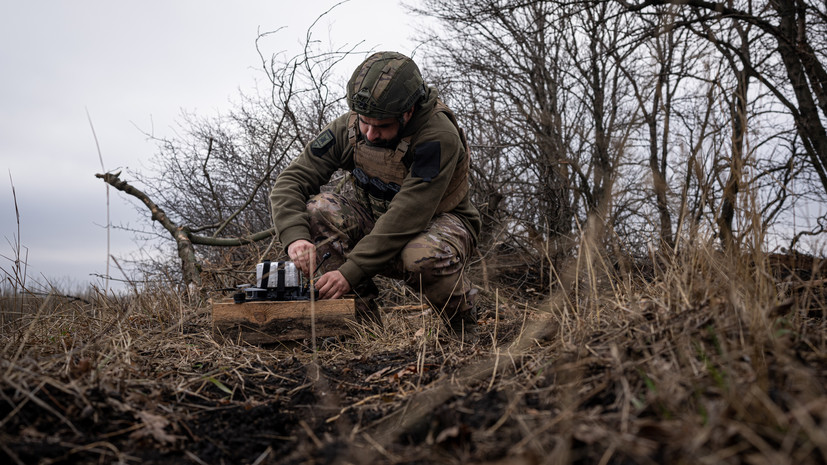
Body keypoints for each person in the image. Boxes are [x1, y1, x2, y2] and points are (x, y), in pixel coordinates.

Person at [269, 51, 481, 340]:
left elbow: (409, 213)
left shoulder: (437, 136)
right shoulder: (349, 127)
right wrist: (295, 237)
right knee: (319, 210)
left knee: (422, 255)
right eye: (364, 122)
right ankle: (359, 327)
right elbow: (292, 179)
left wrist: (350, 271)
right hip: (377, 223)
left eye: (381, 126)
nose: (369, 134)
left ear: (408, 113)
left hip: (440, 227)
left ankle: (462, 328)